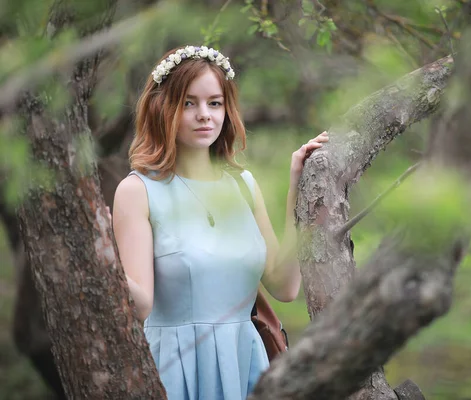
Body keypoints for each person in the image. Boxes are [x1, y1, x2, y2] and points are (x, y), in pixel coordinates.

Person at [111, 45, 328, 400]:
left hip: (245, 364)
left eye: (215, 103)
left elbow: (285, 286)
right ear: (162, 107)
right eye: (188, 103)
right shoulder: (138, 191)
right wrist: (99, 255)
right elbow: (141, 304)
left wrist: (297, 186)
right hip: (175, 366)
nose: (204, 115)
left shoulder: (243, 185)